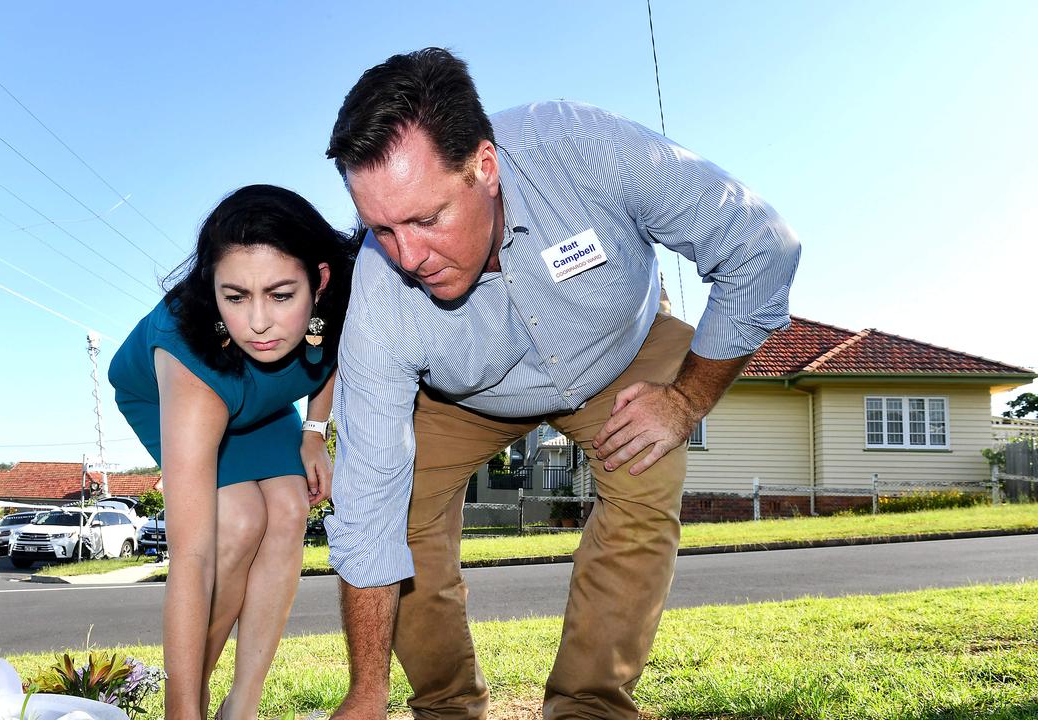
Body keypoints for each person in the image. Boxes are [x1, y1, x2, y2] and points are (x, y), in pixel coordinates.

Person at [322, 49, 801, 720]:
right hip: (465, 394)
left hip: (620, 349)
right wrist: (365, 691)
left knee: (644, 486)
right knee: (399, 517)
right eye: (380, 228)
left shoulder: (578, 146)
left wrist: (687, 399)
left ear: (484, 167)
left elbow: (761, 245)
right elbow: (365, 512)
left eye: (427, 219)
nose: (407, 257)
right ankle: (445, 706)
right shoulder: (381, 297)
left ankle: (588, 705)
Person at [108, 185, 357, 720]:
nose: (259, 323)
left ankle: (240, 708)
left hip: (266, 404)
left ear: (321, 281)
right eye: (236, 296)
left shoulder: (349, 301)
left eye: (281, 295)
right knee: (240, 521)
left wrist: (315, 430)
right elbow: (190, 561)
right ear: (212, 289)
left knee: (290, 508)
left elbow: (332, 356)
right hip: (184, 393)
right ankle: (190, 702)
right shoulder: (191, 352)